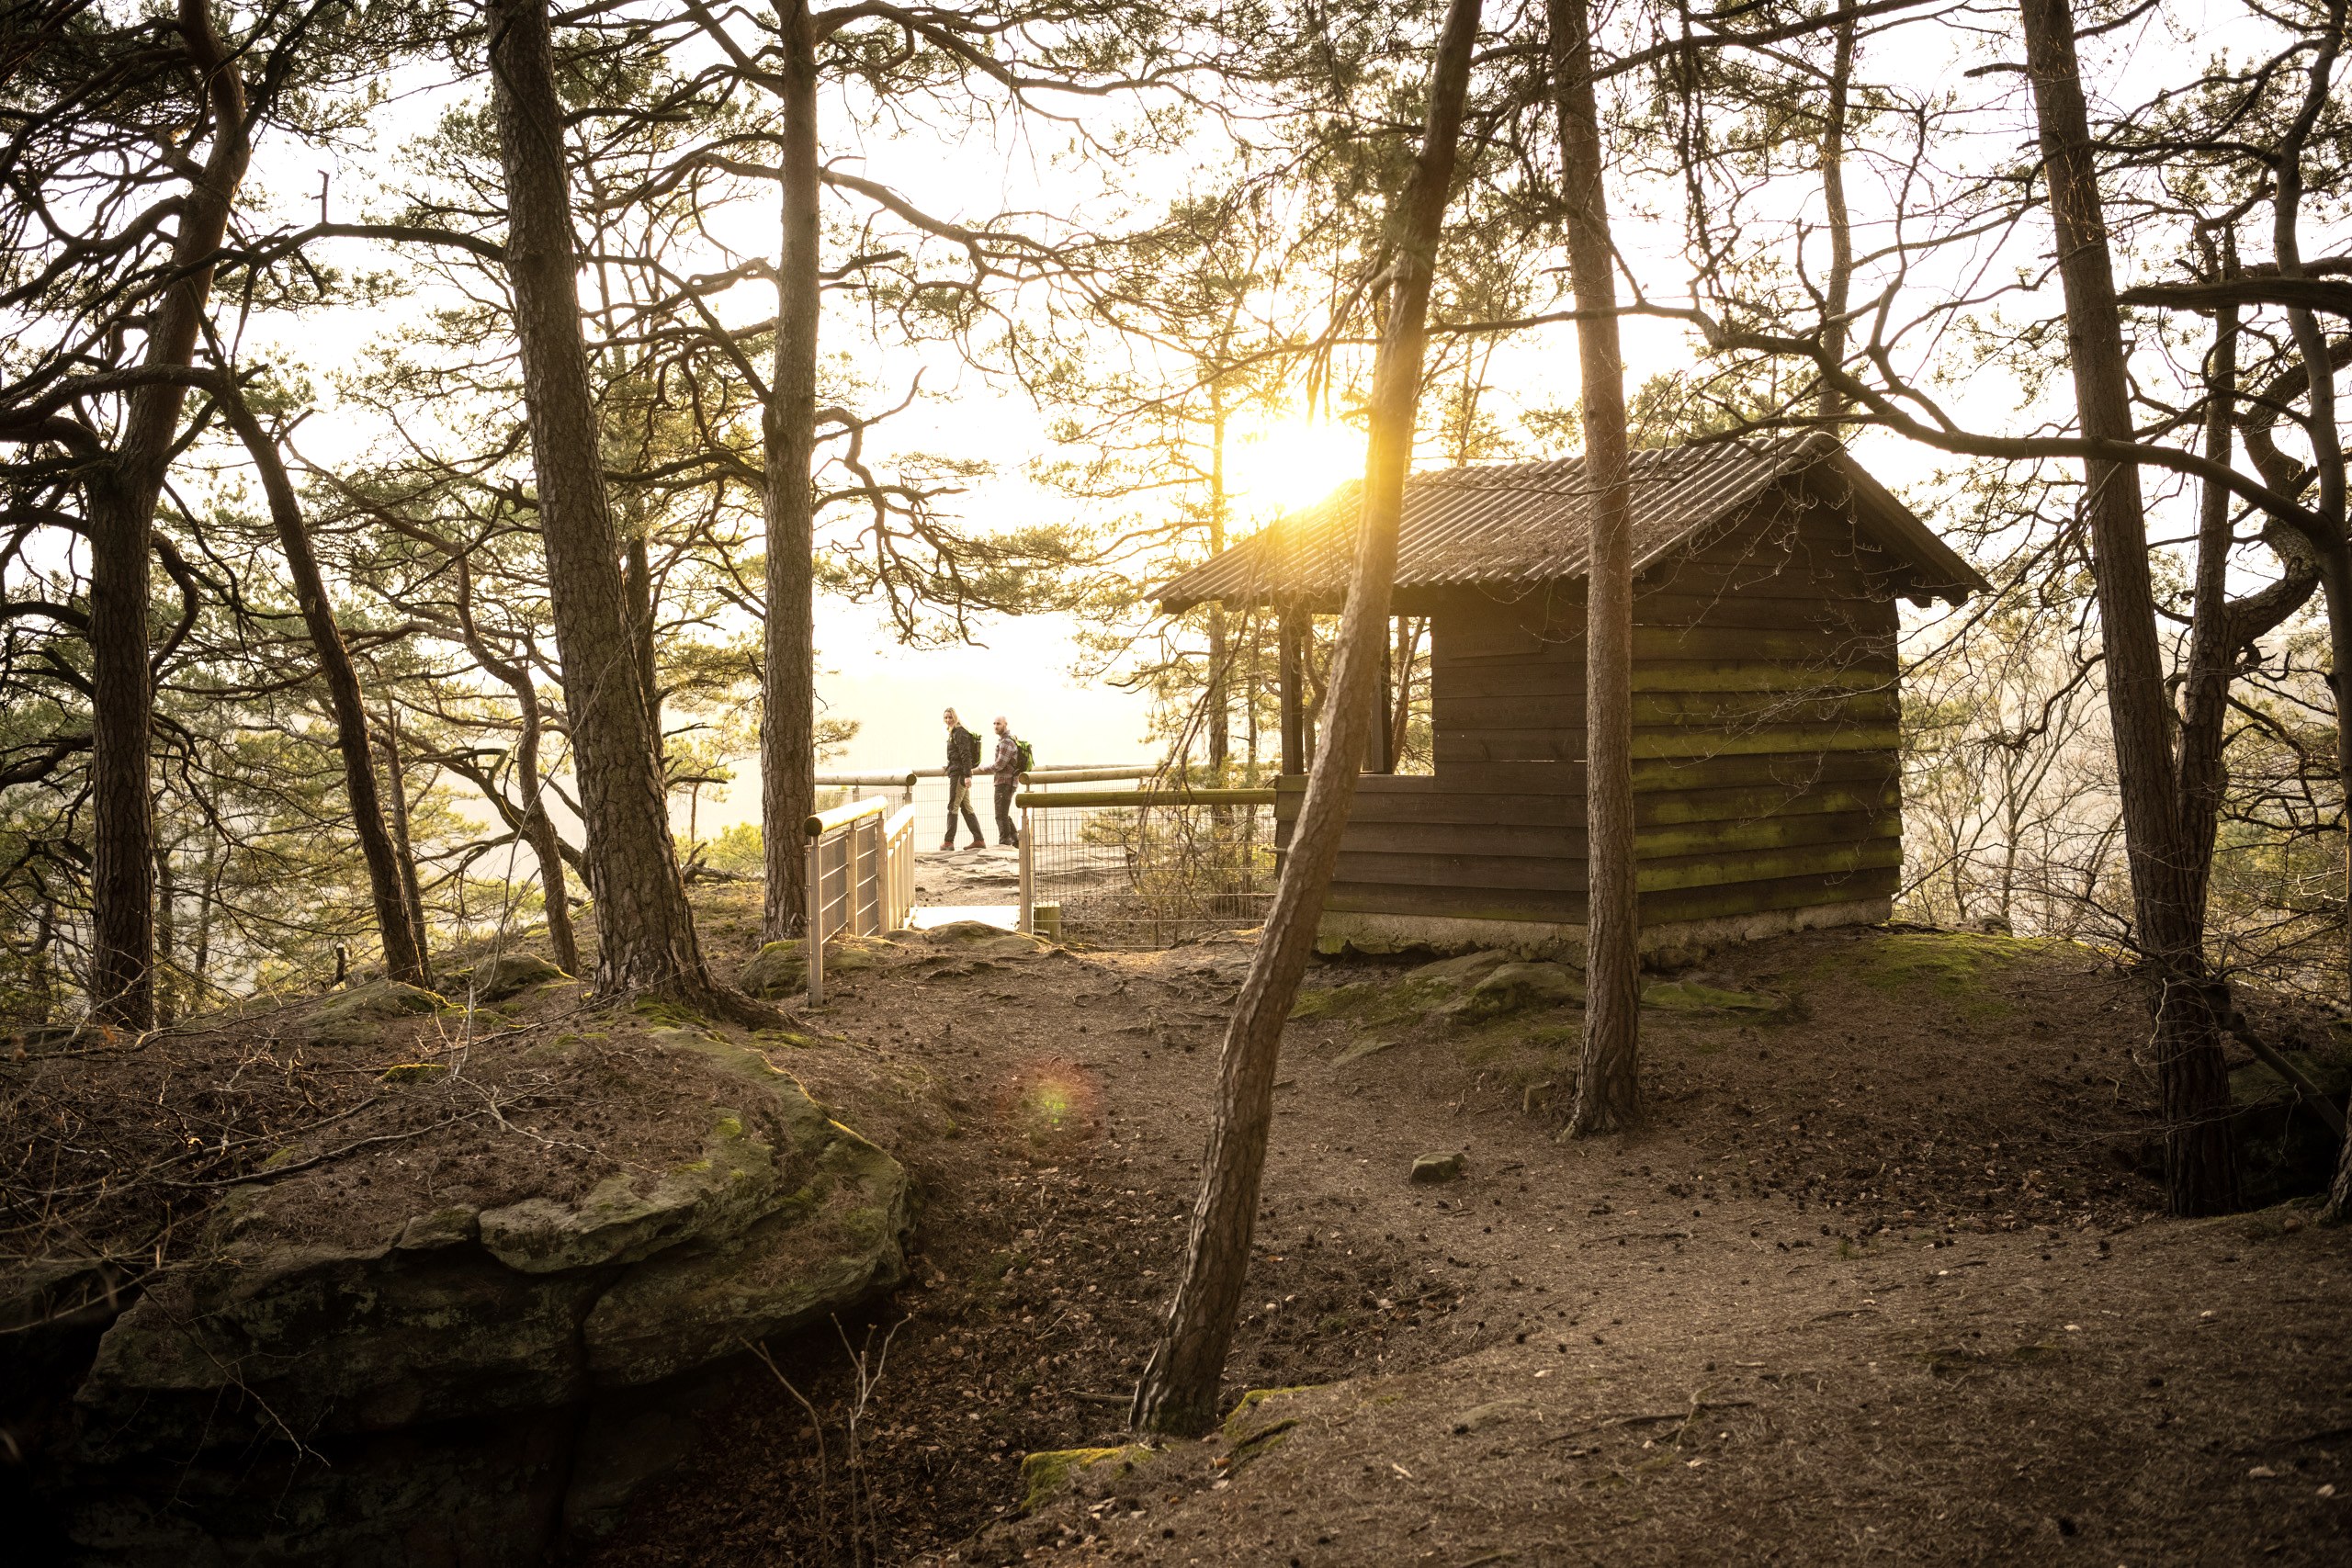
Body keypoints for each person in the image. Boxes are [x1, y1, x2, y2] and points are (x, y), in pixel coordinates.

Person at [941, 707, 985, 850]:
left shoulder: (959, 732)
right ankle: (979, 840)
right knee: (966, 807)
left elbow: (966, 755)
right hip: (958, 772)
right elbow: (958, 755)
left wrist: (967, 776)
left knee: (952, 806)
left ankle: (948, 842)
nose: (948, 720)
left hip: (959, 775)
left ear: (956, 718)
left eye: (950, 717)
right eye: (946, 717)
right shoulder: (955, 732)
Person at [984, 714, 1023, 847]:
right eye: (994, 723)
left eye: (998, 724)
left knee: (1000, 815)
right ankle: (1016, 841)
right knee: (1004, 814)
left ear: (1005, 724)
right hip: (1008, 782)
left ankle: (1005, 843)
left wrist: (983, 768)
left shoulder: (1006, 742)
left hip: (1004, 782)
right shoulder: (1008, 740)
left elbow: (999, 765)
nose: (996, 726)